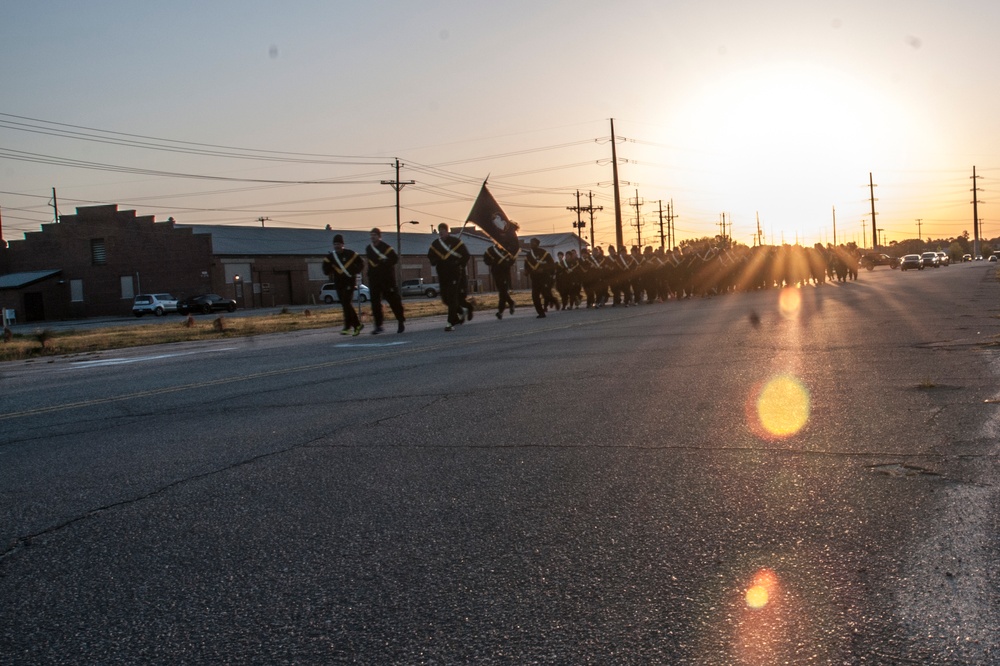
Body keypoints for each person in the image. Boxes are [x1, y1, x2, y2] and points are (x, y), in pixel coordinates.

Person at [428, 223, 471, 331]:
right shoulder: (436, 244)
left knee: (452, 297)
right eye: (440, 230)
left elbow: (466, 255)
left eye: (443, 230)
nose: (441, 232)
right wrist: (435, 261)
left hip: (454, 274)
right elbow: (431, 256)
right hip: (442, 274)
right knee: (445, 299)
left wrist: (459, 264)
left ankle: (450, 323)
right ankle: (460, 312)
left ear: (447, 231)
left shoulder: (456, 242)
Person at [365, 228, 406, 334]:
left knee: (393, 301)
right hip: (374, 279)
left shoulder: (386, 248)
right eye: (371, 235)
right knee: (375, 303)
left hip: (387, 279)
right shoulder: (369, 249)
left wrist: (385, 262)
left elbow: (395, 259)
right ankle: (378, 325)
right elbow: (370, 263)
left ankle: (400, 320)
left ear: (379, 236)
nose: (372, 237)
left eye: (374, 235)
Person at [322, 233, 364, 335]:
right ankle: (354, 325)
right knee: (345, 304)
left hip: (349, 281)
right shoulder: (331, 257)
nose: (336, 246)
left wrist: (355, 271)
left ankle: (351, 325)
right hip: (339, 283)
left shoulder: (350, 254)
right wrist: (329, 269)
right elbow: (325, 269)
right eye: (335, 244)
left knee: (346, 302)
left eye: (338, 243)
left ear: (342, 244)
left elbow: (361, 263)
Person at [483, 242, 516, 319]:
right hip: (496, 273)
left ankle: (500, 311)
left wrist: (506, 264)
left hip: (505, 273)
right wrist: (492, 262)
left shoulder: (507, 250)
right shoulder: (491, 250)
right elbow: (485, 259)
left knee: (502, 292)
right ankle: (511, 302)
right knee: (502, 291)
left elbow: (512, 260)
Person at [524, 238, 555, 318]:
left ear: (537, 244)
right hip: (534, 279)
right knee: (535, 296)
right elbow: (526, 265)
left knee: (546, 294)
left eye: (533, 243)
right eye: (530, 242)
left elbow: (552, 265)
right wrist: (526, 271)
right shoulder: (528, 255)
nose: (531, 244)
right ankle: (541, 312)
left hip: (544, 278)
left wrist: (543, 269)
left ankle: (553, 300)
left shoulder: (544, 253)